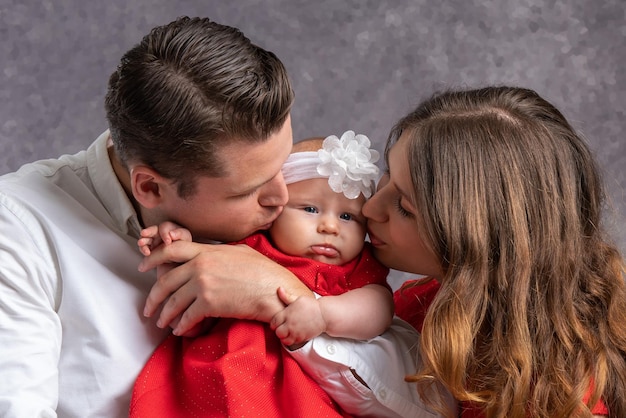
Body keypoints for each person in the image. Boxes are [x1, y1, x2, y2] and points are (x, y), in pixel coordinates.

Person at [140, 86, 626, 418]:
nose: (371, 207)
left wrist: (278, 294)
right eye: (387, 179)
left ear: (476, 242)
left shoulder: (554, 393)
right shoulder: (427, 301)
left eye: (405, 207)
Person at [0, 15, 307, 417]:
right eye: (248, 191)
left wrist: (288, 296)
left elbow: (409, 384)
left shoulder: (300, 216)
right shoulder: (17, 235)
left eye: (283, 166)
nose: (281, 197)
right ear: (149, 187)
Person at [130, 133, 399, 417]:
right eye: (310, 209)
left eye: (348, 217)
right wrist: (178, 254)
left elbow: (379, 309)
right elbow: (193, 320)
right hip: (209, 378)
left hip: (293, 394)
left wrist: (324, 314)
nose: (330, 227)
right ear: (276, 211)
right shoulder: (247, 248)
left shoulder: (354, 269)